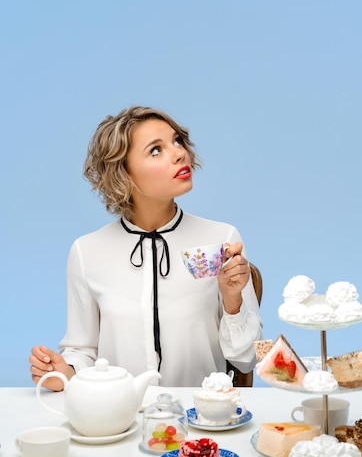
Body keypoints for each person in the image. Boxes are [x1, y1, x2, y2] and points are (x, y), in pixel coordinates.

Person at [29, 106, 263, 390]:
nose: (180, 153)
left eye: (178, 141)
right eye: (156, 150)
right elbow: (82, 351)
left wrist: (232, 300)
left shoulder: (220, 239)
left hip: (200, 420)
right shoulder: (87, 252)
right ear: (123, 172)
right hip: (120, 420)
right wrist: (62, 371)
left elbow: (247, 359)